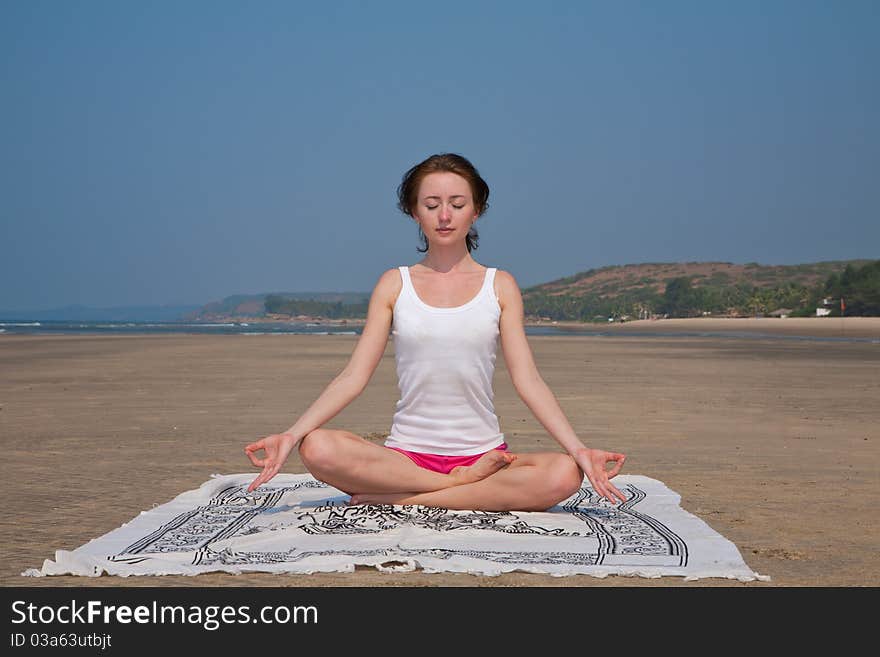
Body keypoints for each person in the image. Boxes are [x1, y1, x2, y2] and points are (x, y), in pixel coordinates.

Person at [245, 153, 627, 511]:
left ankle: (407, 500)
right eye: (431, 205)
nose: (445, 215)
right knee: (318, 447)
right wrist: (292, 436)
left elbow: (527, 379)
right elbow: (353, 376)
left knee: (563, 474)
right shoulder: (395, 284)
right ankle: (455, 488)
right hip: (404, 458)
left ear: (476, 211)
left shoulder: (500, 285)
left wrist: (578, 450)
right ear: (414, 212)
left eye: (457, 205)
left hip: (485, 456)